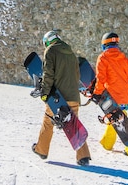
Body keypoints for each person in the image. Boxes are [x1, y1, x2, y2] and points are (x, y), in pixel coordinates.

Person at [32, 30, 92, 166]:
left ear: (47, 41)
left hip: (58, 96)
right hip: (73, 96)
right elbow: (77, 75)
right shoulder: (70, 53)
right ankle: (83, 156)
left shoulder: (50, 51)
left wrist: (45, 93)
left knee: (48, 121)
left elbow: (48, 74)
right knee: (74, 124)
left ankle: (41, 150)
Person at [91, 32, 128, 158]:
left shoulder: (103, 58)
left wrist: (97, 93)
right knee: (116, 120)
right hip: (123, 97)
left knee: (120, 122)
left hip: (110, 98)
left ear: (104, 44)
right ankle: (107, 143)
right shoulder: (123, 58)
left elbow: (101, 78)